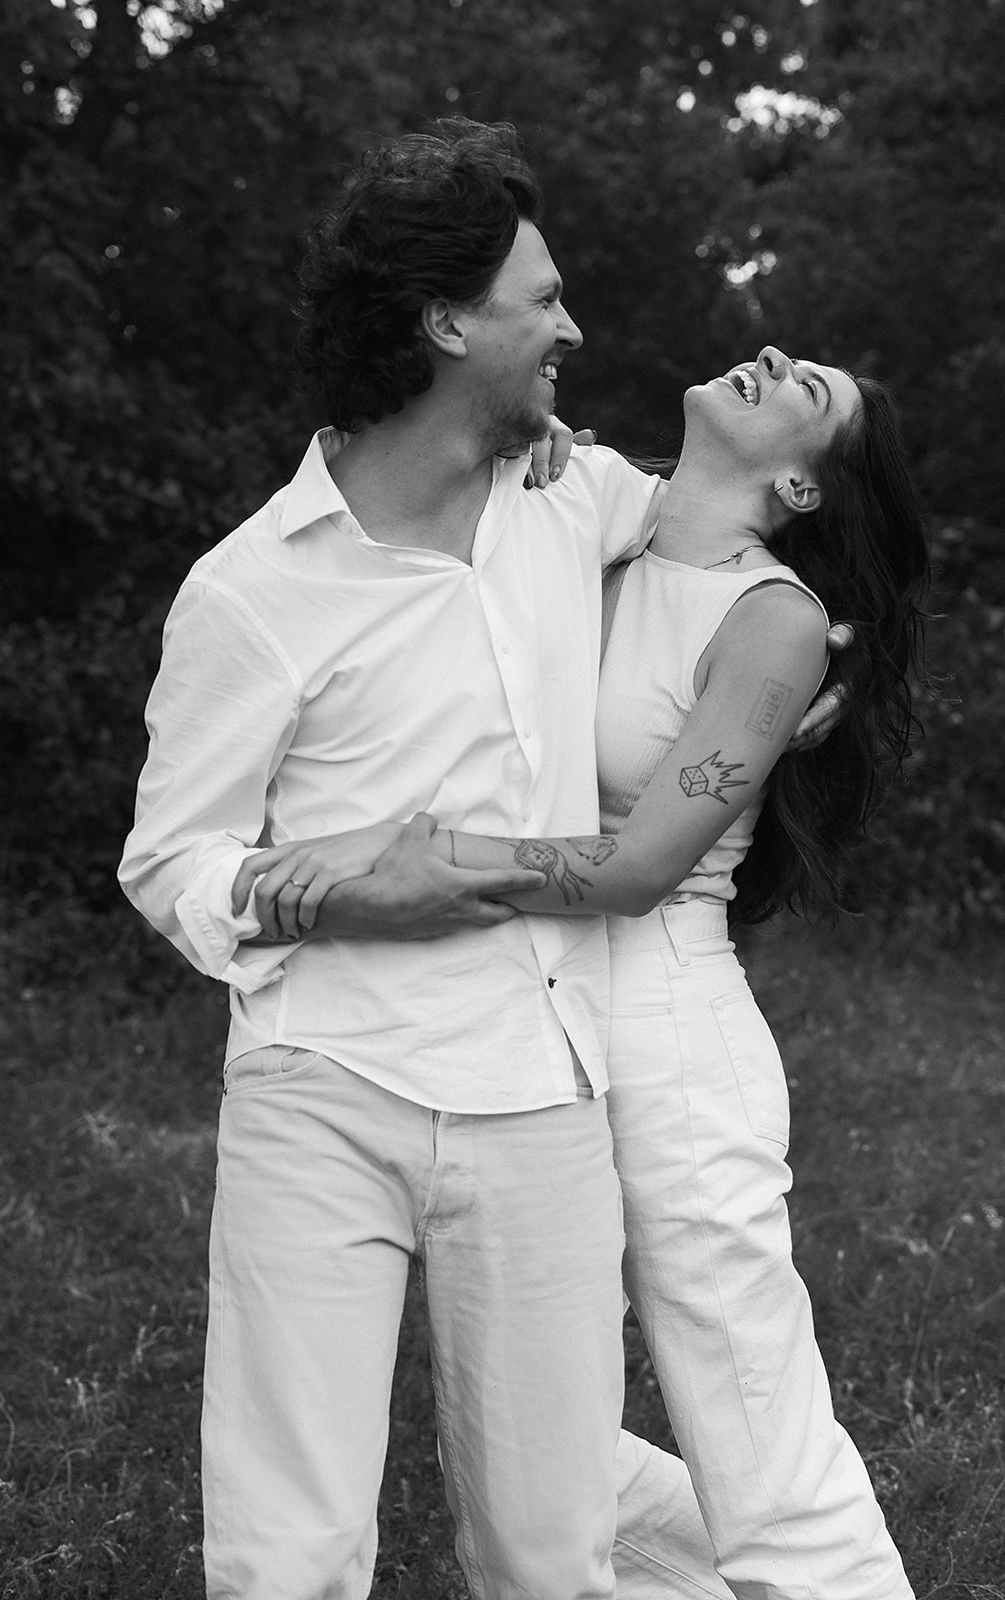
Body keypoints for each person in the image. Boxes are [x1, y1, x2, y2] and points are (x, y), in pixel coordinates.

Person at [120, 115, 743, 1600]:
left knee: (550, 1545)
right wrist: (338, 893)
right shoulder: (252, 587)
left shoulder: (573, 496)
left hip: (542, 1088)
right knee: (288, 1550)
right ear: (444, 321)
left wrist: (808, 655)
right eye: (539, 300)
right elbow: (171, 859)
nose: (569, 329)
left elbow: (738, 568)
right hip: (320, 1088)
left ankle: (778, 1552)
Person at [245, 339, 930, 1600]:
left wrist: (420, 861)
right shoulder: (582, 515)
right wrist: (532, 452)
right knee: (528, 1433)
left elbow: (634, 871)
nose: (773, 354)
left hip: (670, 1021)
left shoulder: (770, 620)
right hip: (535, 1007)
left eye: (811, 389)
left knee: (745, 1408)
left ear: (801, 489)